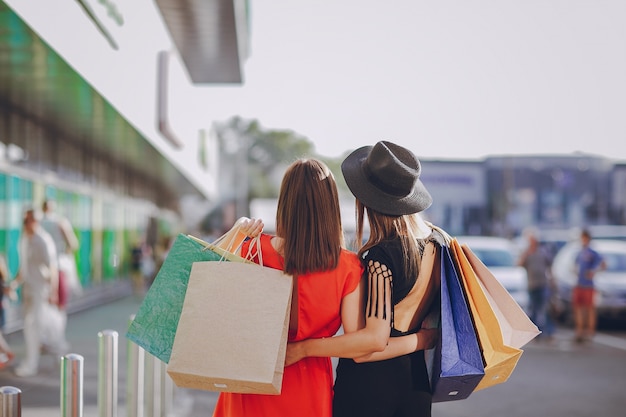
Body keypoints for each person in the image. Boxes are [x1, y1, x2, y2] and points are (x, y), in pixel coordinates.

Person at [211, 158, 433, 417]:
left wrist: (237, 233)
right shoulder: (349, 267)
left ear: (285, 202)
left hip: (250, 383)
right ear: (330, 206)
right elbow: (361, 342)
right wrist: (423, 339)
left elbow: (210, 296)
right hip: (309, 392)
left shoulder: (251, 250)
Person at [286, 141, 444, 417]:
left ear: (366, 200)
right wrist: (423, 339)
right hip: (417, 387)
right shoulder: (439, 242)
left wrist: (303, 349)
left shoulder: (378, 256)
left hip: (369, 391)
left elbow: (369, 344)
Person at [11, 209, 64, 377]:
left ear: (36, 222)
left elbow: (53, 269)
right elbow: (24, 267)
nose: (25, 224)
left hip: (40, 291)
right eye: (24, 221)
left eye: (28, 221)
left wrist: (53, 292)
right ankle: (59, 352)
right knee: (41, 327)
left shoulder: (44, 241)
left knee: (31, 326)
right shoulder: (24, 240)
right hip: (28, 290)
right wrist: (14, 283)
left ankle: (31, 364)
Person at [517, 228, 555, 340]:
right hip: (532, 284)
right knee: (533, 309)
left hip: (543, 283)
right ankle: (534, 332)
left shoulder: (543, 251)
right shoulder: (527, 253)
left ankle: (549, 331)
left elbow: (550, 265)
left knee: (545, 309)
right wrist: (525, 254)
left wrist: (552, 280)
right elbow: (519, 263)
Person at [573, 228, 606, 343]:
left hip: (588, 285)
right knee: (578, 308)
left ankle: (590, 331)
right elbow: (575, 266)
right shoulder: (580, 253)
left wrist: (593, 272)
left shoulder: (592, 253)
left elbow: (602, 264)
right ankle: (580, 330)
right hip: (579, 284)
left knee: (589, 309)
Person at [0, 253, 15, 370]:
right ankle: (6, 354)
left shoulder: (2, 280)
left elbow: (10, 293)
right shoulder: (3, 279)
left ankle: (7, 354)